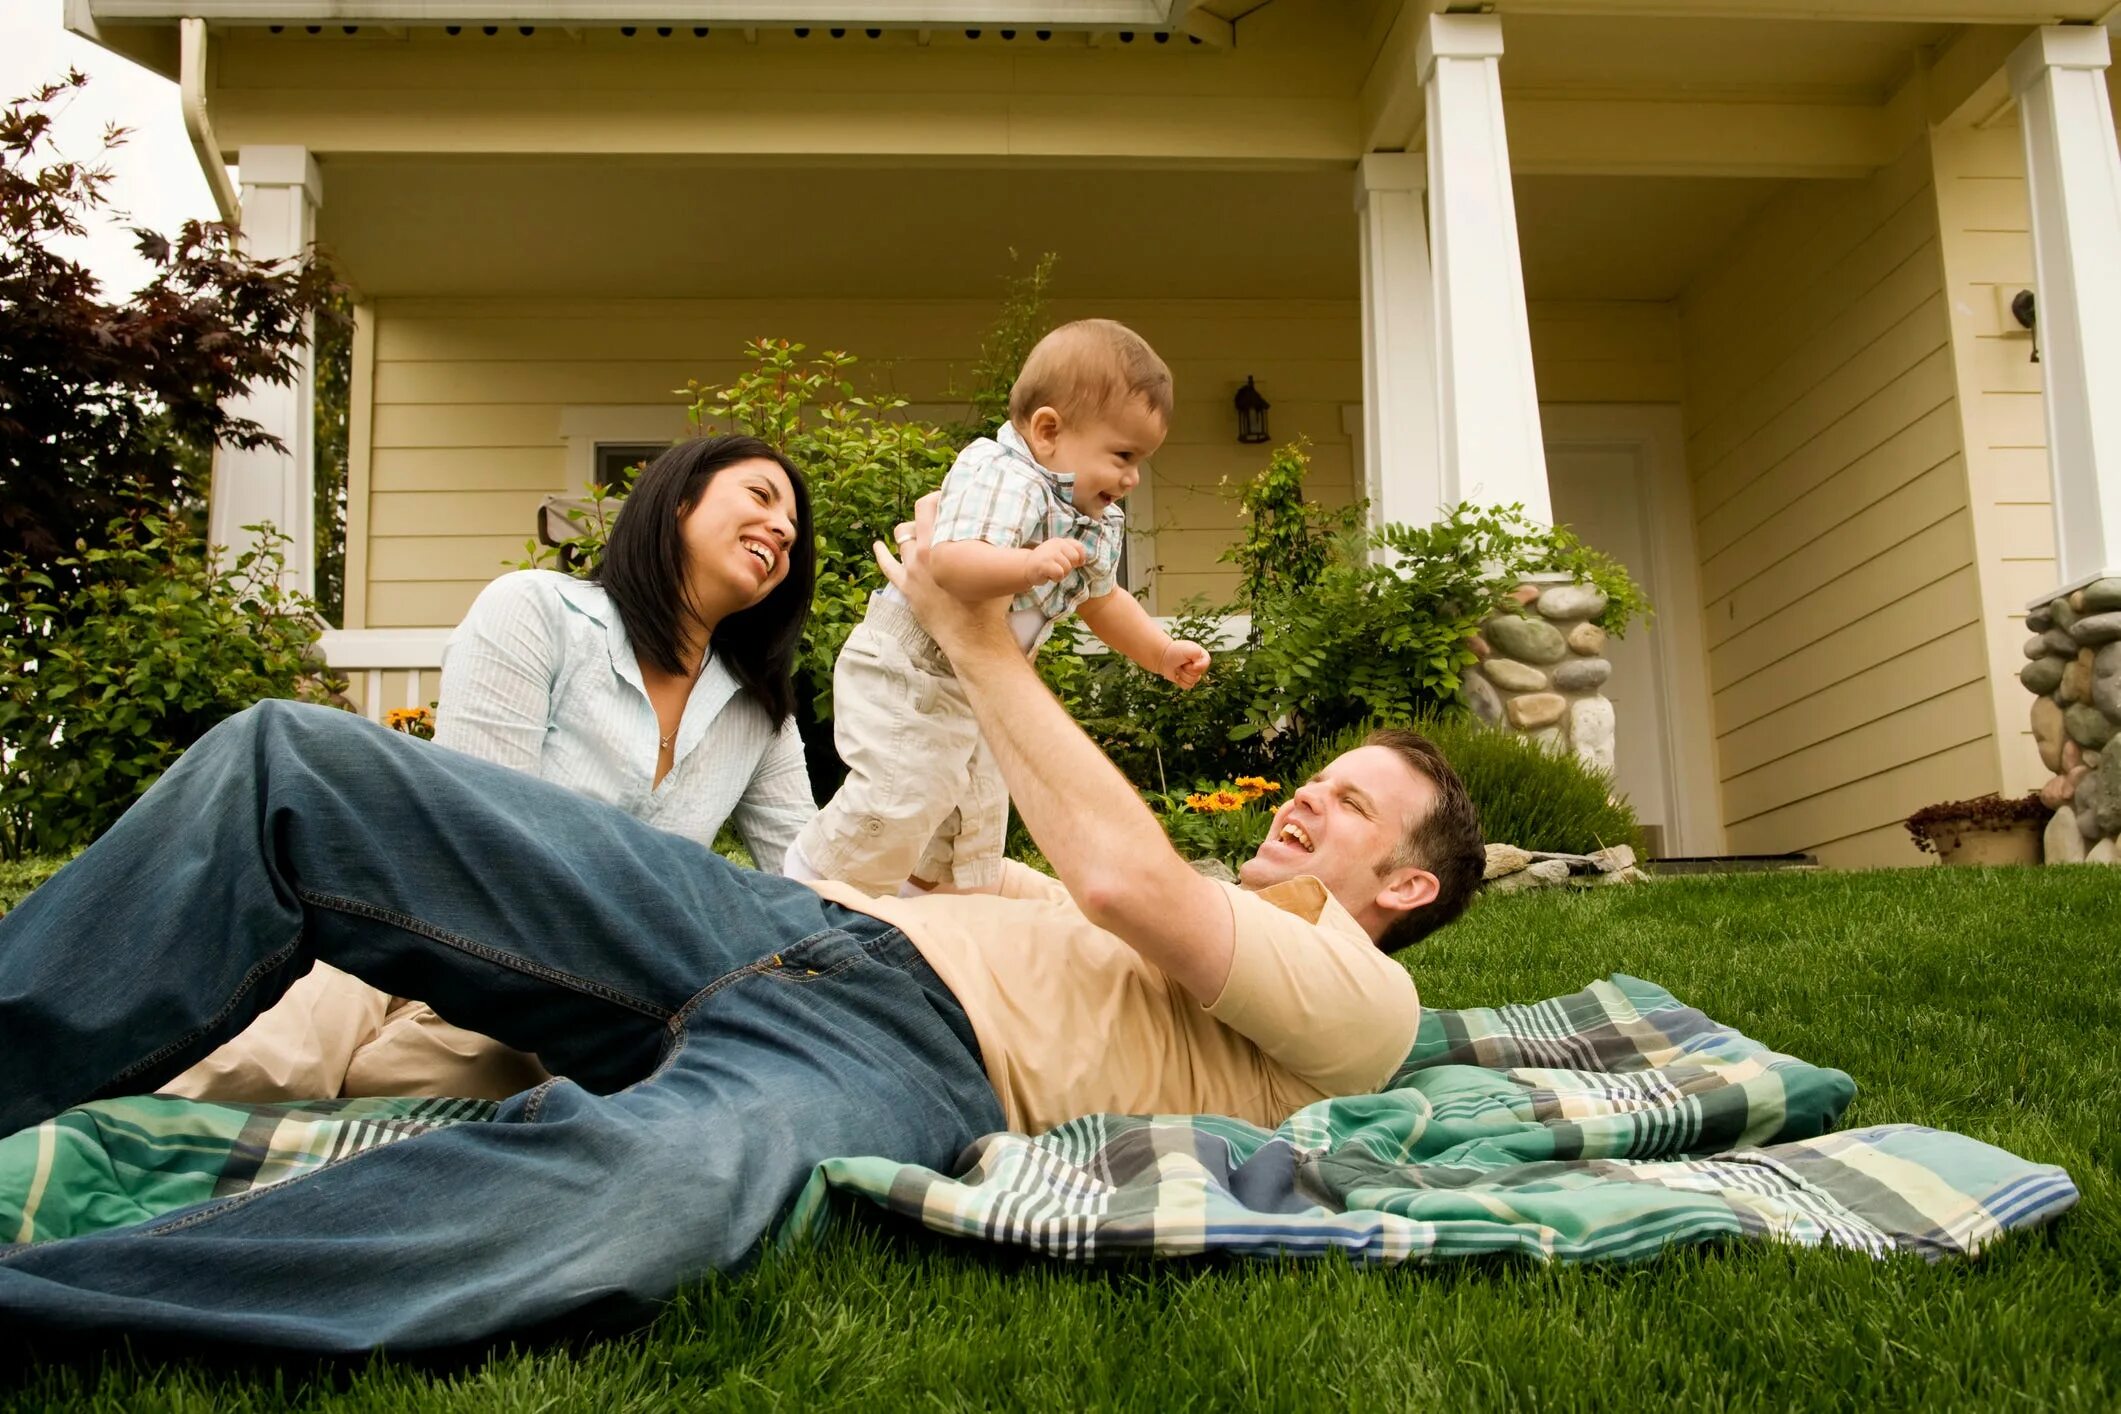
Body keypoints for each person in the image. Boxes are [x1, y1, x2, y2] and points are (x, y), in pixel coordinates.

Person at [0, 494, 1484, 1353]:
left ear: (1405, 887)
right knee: (297, 761)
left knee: (647, 1201)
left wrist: (978, 644)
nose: (1302, 799)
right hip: (759, 917)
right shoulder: (1200, 917)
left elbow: (1121, 876)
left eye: (1347, 805)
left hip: (904, 1058)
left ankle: (53, 1300)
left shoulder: (1360, 999)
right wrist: (940, 644)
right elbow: (976, 862)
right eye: (1315, 780)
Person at [161, 434, 819, 1104]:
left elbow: (810, 882)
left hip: (550, 999)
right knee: (258, 1072)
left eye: (792, 534)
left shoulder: (760, 715)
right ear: (678, 502)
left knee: (419, 1096)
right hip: (403, 921)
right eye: (760, 496)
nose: (779, 530)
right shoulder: (540, 611)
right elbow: (472, 830)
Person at [784, 319, 1211, 897]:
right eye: (1123, 455)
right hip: (912, 665)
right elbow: (950, 565)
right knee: (908, 787)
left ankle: (922, 910)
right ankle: (806, 886)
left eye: (1141, 461)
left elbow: (1103, 599)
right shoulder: (1004, 473)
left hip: (981, 679)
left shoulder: (1095, 515)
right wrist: (1026, 566)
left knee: (976, 814)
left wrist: (1159, 651)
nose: (1132, 477)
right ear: (1047, 431)